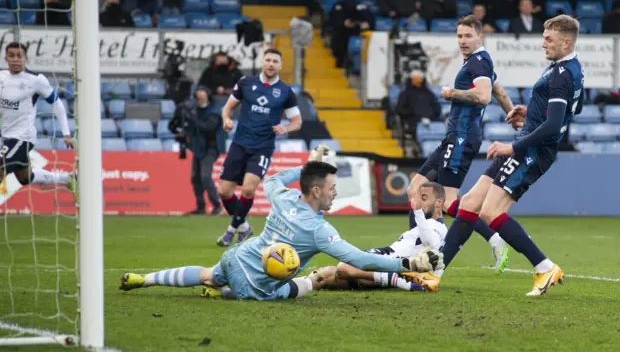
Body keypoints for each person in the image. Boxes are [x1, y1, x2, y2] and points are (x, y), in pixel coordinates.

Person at [119, 146, 439, 301]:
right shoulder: (319, 231)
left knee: (207, 274)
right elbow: (358, 259)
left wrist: (307, 163)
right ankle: (226, 292)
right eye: (331, 188)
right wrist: (407, 262)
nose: (335, 192)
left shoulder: (283, 197)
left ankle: (144, 279)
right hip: (257, 288)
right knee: (315, 280)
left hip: (237, 257)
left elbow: (271, 178)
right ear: (316, 191)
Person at [437, 15, 585, 296]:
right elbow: (572, 110)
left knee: (491, 212)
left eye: (549, 39)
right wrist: (530, 115)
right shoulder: (569, 68)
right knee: (469, 202)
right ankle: (435, 271)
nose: (543, 44)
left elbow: (555, 126)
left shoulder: (562, 74)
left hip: (531, 152)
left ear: (566, 42)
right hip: (527, 143)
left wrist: (513, 147)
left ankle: (544, 267)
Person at [407, 15, 515, 274]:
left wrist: (450, 93)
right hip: (454, 136)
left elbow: (484, 95)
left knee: (450, 202)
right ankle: (414, 247)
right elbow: (499, 93)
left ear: (480, 37)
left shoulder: (478, 62)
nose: (463, 41)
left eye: (468, 35)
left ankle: (495, 238)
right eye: (459, 36)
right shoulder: (481, 62)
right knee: (415, 188)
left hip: (462, 137)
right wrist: (512, 115)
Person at [216, 48, 303, 246]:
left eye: (275, 61)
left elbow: (297, 122)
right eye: (268, 60)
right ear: (262, 62)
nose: (271, 64)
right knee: (224, 192)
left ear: (280, 66)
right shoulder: (246, 83)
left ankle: (231, 230)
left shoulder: (285, 92)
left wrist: (286, 127)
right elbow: (228, 107)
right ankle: (244, 228)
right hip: (239, 144)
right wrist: (226, 119)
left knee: (248, 189)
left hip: (262, 147)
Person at [312, 181, 447, 293]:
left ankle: (399, 281)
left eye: (424, 198)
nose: (419, 202)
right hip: (385, 262)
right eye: (418, 198)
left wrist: (417, 211)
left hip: (393, 263)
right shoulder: (424, 225)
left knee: (344, 267)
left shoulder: (437, 226)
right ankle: (296, 283)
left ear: (439, 203)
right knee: (323, 277)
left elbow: (432, 245)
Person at [0, 42, 76, 194]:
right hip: (6, 136)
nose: (15, 59)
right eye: (11, 55)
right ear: (5, 58)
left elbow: (57, 104)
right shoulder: (1, 77)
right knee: (25, 177)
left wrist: (66, 134)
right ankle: (68, 179)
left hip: (23, 137)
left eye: (19, 55)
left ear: (25, 58)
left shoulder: (36, 80)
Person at [175, 86, 224, 216]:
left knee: (205, 175)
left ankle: (217, 205)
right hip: (198, 147)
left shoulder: (214, 110)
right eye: (198, 93)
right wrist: (183, 134)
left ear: (207, 95)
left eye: (203, 92)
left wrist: (193, 119)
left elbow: (208, 127)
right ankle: (201, 207)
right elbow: (191, 127)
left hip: (211, 148)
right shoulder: (194, 110)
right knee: (195, 178)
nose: (200, 94)